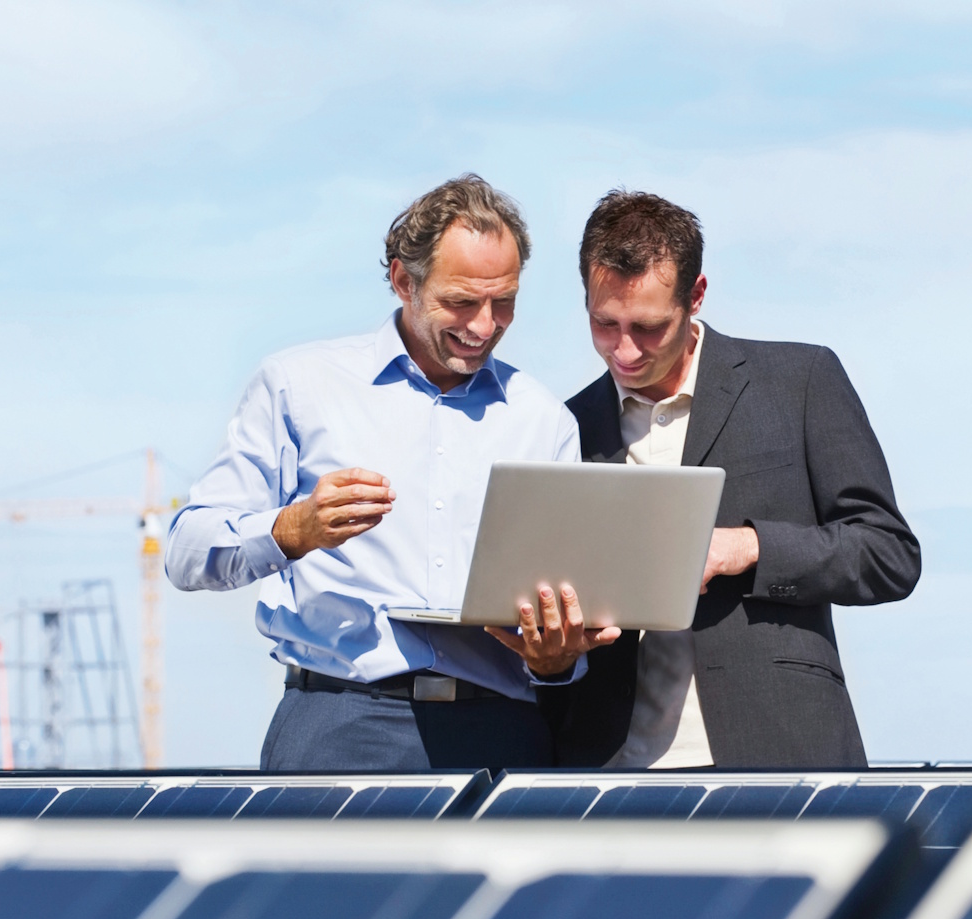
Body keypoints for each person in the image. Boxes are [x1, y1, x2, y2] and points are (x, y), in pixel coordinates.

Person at [166, 174, 616, 771]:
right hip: (338, 727)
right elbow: (186, 552)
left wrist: (555, 659)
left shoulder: (545, 420)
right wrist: (293, 530)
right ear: (405, 281)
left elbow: (561, 612)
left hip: (501, 733)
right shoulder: (298, 386)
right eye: (462, 302)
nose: (485, 325)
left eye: (503, 302)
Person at [538, 190, 920, 769]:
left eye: (648, 327)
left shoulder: (800, 381)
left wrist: (746, 546)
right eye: (604, 323)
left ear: (695, 295)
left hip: (781, 751)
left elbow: (889, 554)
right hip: (609, 768)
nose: (624, 350)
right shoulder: (564, 426)